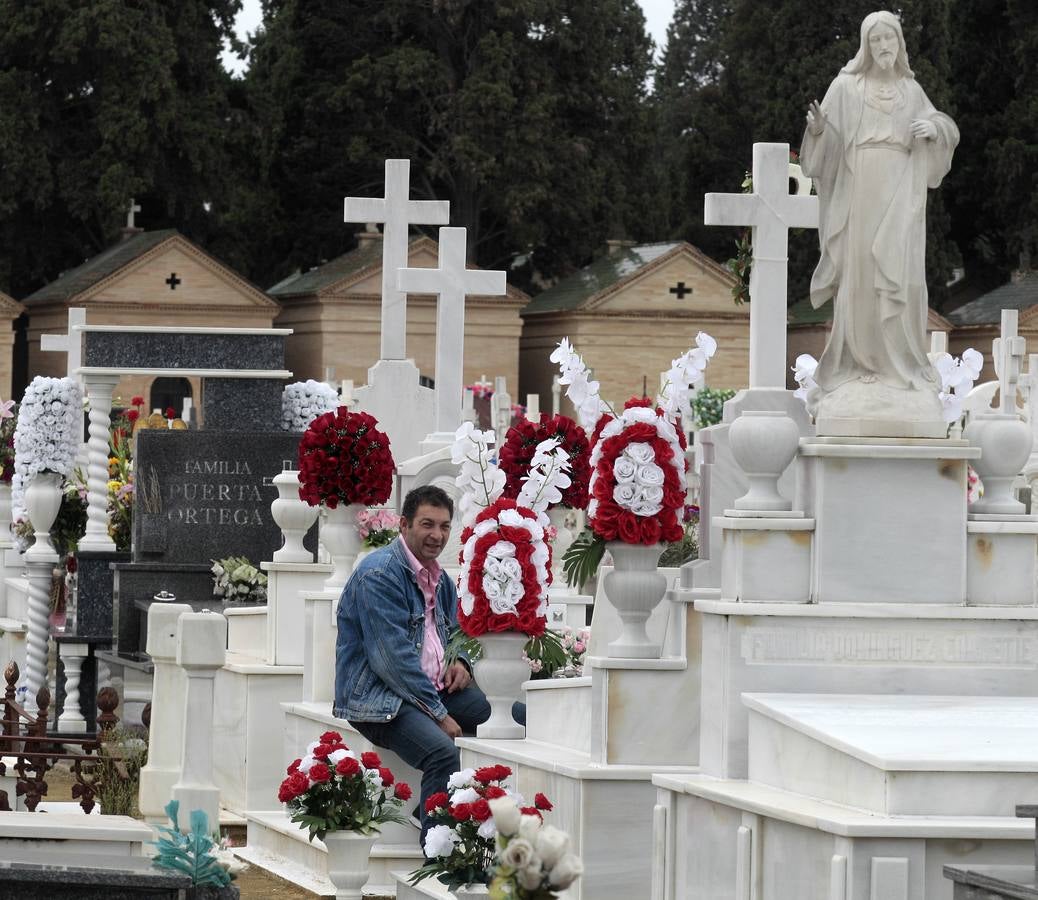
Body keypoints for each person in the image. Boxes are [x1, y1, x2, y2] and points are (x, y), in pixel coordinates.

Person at [802, 10, 959, 422]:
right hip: (858, 189)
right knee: (861, 273)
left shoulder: (911, 90)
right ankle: (859, 364)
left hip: (901, 190)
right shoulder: (846, 86)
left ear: (900, 43)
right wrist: (818, 130)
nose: (884, 47)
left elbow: (942, 125)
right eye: (876, 41)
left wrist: (935, 130)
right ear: (865, 47)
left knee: (899, 273)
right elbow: (825, 151)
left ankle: (898, 365)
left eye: (890, 39)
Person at [334, 484, 490, 845]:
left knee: (506, 717)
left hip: (432, 689)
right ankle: (437, 850)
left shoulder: (439, 576)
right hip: (380, 699)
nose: (437, 535)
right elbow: (393, 661)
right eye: (427, 524)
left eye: (444, 526)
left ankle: (435, 809)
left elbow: (459, 632)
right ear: (404, 525)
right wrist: (438, 713)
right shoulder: (380, 574)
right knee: (441, 753)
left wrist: (461, 661)